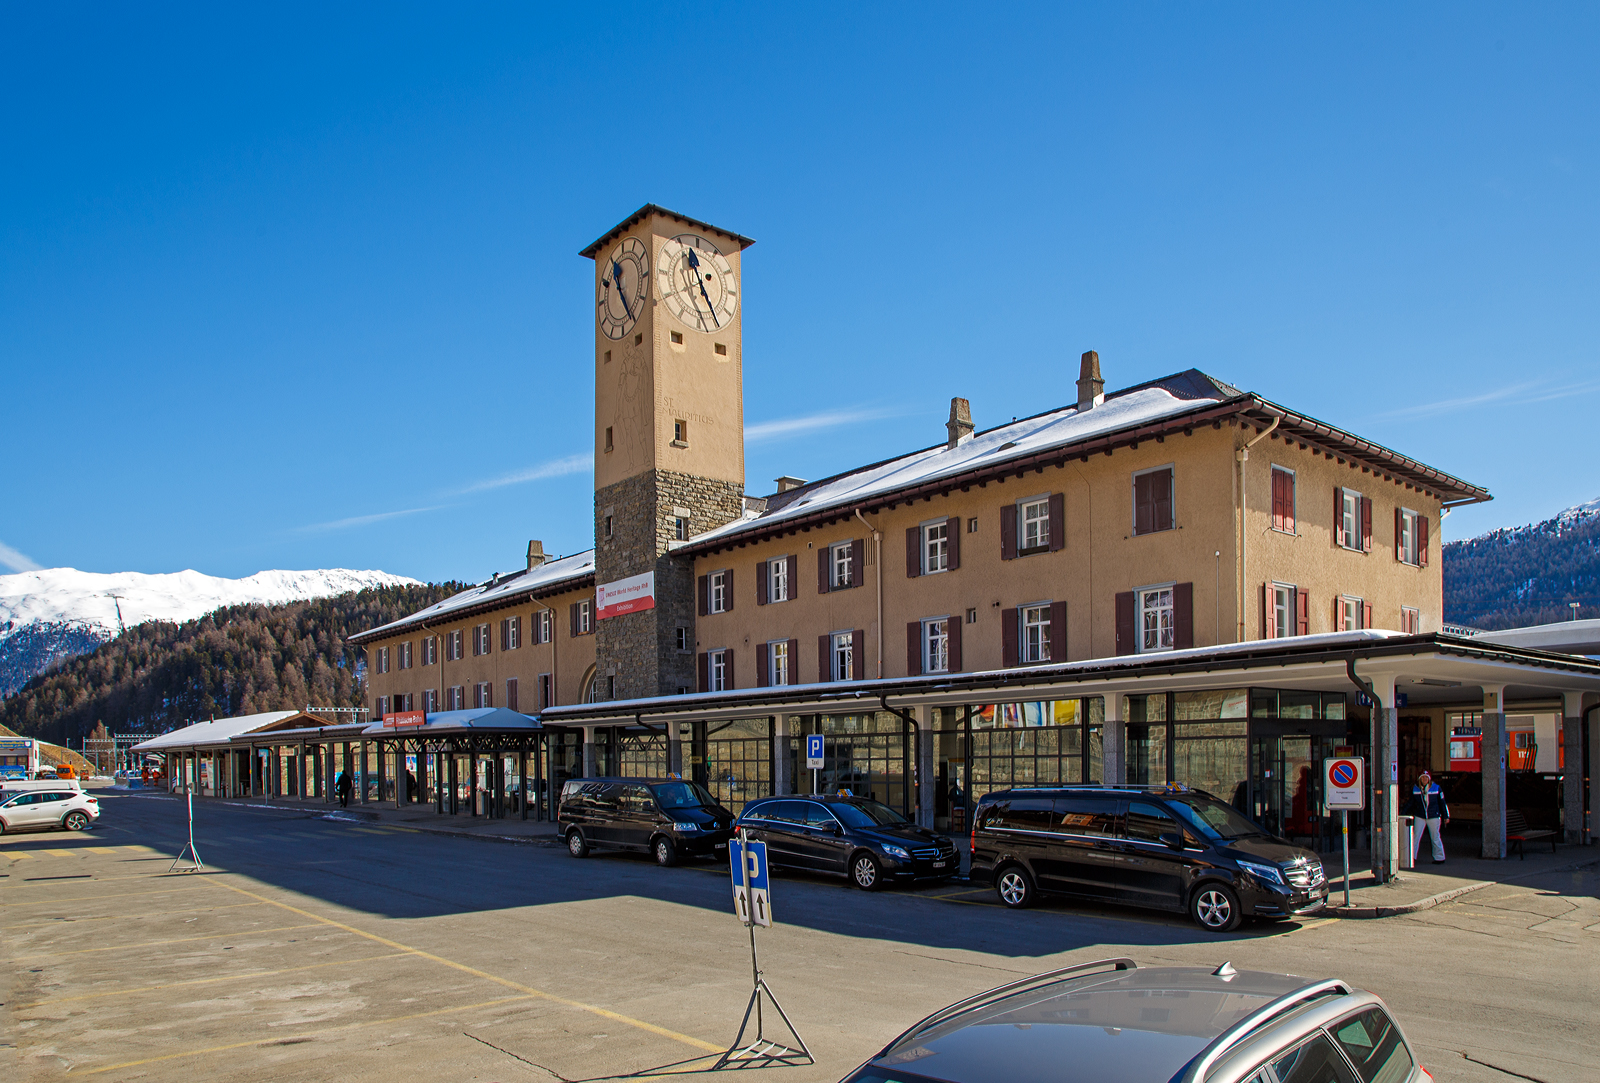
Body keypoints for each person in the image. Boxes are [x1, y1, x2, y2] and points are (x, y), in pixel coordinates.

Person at [1403, 770, 1449, 864]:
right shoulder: (1416, 789)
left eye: (1426, 777)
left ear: (1429, 779)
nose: (1424, 779)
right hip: (1420, 815)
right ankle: (1412, 857)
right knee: (1415, 836)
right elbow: (1411, 802)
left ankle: (1439, 858)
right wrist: (1402, 812)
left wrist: (1446, 816)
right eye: (1423, 777)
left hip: (1433, 816)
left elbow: (1442, 803)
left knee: (1435, 837)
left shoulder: (1436, 788)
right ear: (1420, 779)